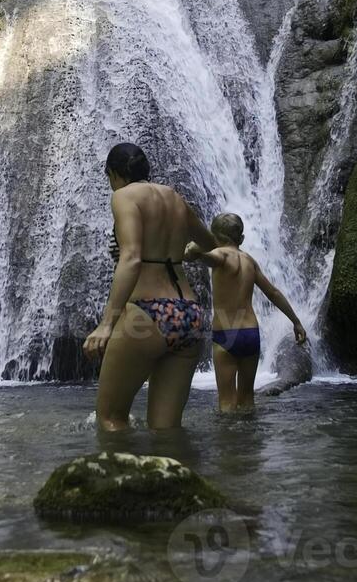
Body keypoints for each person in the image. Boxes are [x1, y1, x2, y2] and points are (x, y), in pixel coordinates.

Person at [83, 142, 217, 431]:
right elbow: (210, 244)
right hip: (189, 315)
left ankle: (118, 476)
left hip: (149, 311)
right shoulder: (175, 198)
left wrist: (107, 324)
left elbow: (130, 258)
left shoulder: (123, 196)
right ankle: (174, 474)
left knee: (110, 419)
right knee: (165, 429)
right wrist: (184, 252)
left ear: (115, 174)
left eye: (109, 177)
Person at [184, 213, 307, 413]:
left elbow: (209, 257)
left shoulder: (220, 255)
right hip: (250, 333)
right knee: (247, 402)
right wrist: (296, 322)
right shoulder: (250, 261)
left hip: (226, 334)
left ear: (215, 237)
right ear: (240, 238)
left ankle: (230, 444)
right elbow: (273, 293)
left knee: (226, 405)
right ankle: (249, 443)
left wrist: (196, 252)